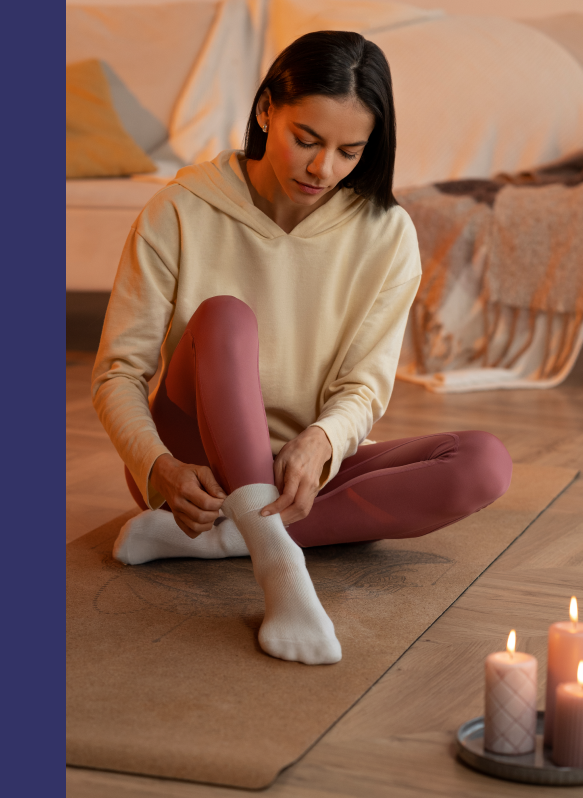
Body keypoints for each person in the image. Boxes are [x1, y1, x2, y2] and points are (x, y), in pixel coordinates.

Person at [91, 31, 513, 666]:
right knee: (225, 317)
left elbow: (365, 386)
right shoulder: (178, 210)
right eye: (306, 140)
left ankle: (231, 540)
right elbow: (119, 373)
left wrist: (321, 443)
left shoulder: (386, 232)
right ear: (266, 112)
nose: (323, 169)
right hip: (192, 463)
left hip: (300, 465)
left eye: (349, 151)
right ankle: (279, 566)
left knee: (484, 463)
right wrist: (159, 468)